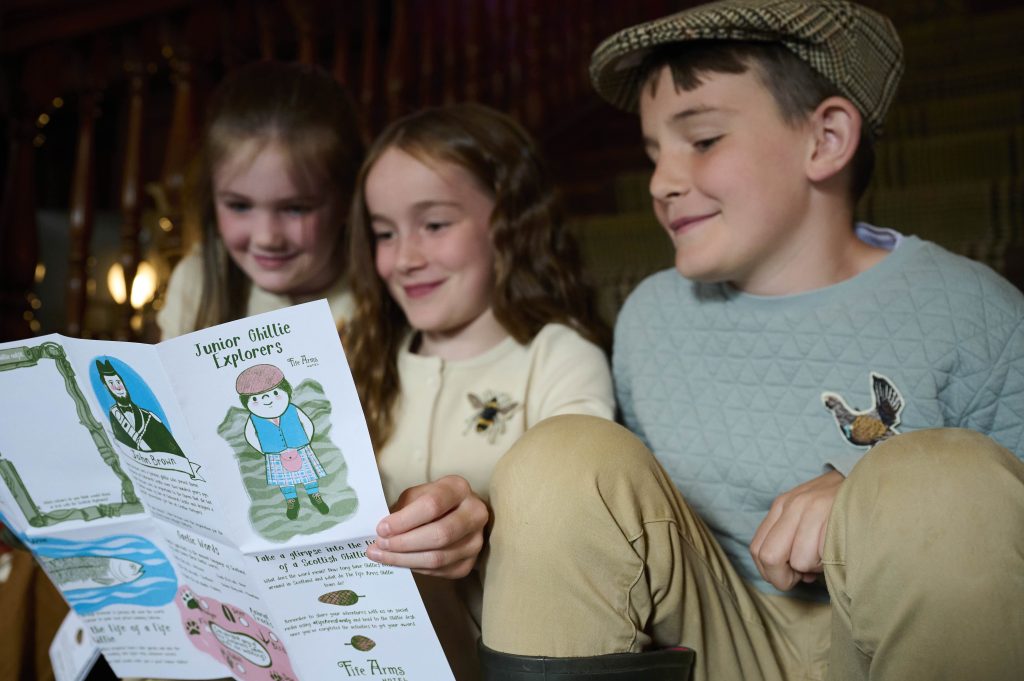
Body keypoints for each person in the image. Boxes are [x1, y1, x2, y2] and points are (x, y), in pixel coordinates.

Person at [478, 2, 1024, 680]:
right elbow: (612, 521)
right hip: (717, 643)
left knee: (939, 479)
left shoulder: (974, 311)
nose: (661, 182)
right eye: (653, 154)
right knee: (559, 456)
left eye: (703, 140)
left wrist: (869, 490)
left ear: (825, 140)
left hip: (897, 645)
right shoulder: (651, 317)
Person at [343, 103, 615, 679]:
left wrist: (481, 521)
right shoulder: (358, 358)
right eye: (384, 233)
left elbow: (580, 515)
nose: (405, 258)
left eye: (435, 224)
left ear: (509, 222)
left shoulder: (559, 359)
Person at [156, 60, 364, 340]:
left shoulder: (380, 296)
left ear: (347, 201)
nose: (267, 238)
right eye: (239, 206)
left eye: (295, 208)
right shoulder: (198, 280)